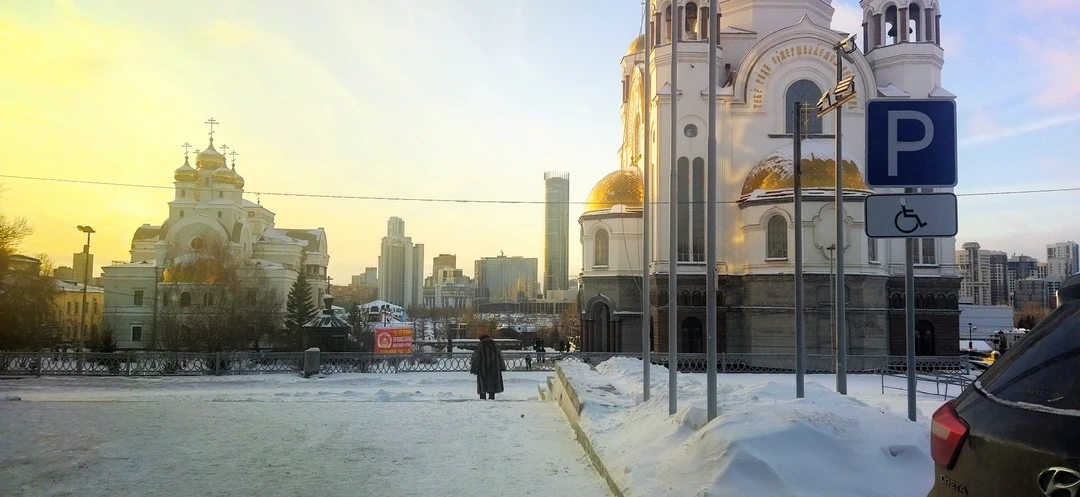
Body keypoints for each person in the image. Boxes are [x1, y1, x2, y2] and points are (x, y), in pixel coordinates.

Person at [470, 334, 506, 400]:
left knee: (483, 386)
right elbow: (500, 357)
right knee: (492, 386)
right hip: (494, 369)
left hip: (483, 369)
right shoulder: (495, 345)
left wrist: (474, 369)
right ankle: (491, 398)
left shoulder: (480, 346)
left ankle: (483, 400)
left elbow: (476, 358)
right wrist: (502, 367)